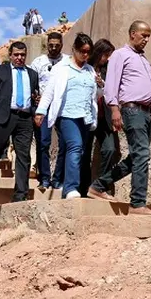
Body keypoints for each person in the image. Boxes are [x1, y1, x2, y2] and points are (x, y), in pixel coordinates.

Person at [87, 21, 151, 215]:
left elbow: (148, 87)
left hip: (147, 112)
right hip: (132, 111)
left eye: (148, 36)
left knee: (137, 157)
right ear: (132, 34)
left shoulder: (143, 59)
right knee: (142, 155)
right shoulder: (120, 55)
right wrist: (114, 110)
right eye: (143, 35)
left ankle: (98, 186)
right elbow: (111, 85)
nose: (146, 39)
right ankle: (137, 203)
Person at [34, 34, 98, 200]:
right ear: (74, 49)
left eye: (88, 52)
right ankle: (70, 188)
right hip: (67, 115)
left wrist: (101, 86)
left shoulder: (90, 70)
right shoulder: (61, 68)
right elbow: (49, 91)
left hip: (85, 116)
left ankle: (71, 185)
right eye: (82, 51)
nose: (85, 55)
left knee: (81, 151)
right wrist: (41, 111)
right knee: (75, 146)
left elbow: (93, 94)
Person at [0, 41, 40, 201]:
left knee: (23, 156)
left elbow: (35, 96)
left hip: (24, 119)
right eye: (16, 55)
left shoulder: (33, 74)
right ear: (10, 55)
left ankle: (21, 193)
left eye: (22, 55)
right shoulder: (0, 71)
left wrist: (36, 108)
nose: (19, 57)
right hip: (2, 117)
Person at [30, 31, 70, 190]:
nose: (53, 48)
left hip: (62, 106)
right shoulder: (38, 62)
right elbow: (31, 82)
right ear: (47, 44)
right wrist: (35, 96)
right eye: (51, 45)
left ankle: (58, 178)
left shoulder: (68, 61)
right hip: (43, 107)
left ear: (62, 45)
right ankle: (44, 178)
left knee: (65, 143)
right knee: (43, 142)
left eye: (57, 45)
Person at [88, 39, 117, 190]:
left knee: (109, 149)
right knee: (83, 152)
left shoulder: (108, 70)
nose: (107, 58)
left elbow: (113, 89)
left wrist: (103, 84)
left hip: (104, 117)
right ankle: (82, 187)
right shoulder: (86, 67)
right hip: (88, 116)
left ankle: (100, 186)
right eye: (106, 55)